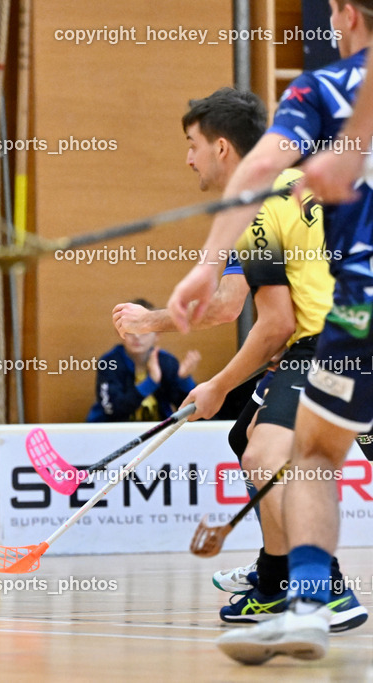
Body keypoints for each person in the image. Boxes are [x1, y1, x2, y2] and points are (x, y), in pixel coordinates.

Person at [165, 0, 373, 664]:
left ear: (344, 14)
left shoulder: (322, 89)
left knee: (309, 456)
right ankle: (291, 591)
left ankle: (308, 602)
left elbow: (255, 173)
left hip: (353, 314)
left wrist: (203, 266)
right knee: (269, 446)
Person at [86, 298, 199, 422]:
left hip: (156, 435)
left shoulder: (167, 362)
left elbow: (189, 409)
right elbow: (113, 410)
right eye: (131, 331)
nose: (137, 337)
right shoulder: (109, 363)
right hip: (112, 433)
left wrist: (183, 379)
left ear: (157, 335)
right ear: (120, 332)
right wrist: (151, 381)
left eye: (144, 331)